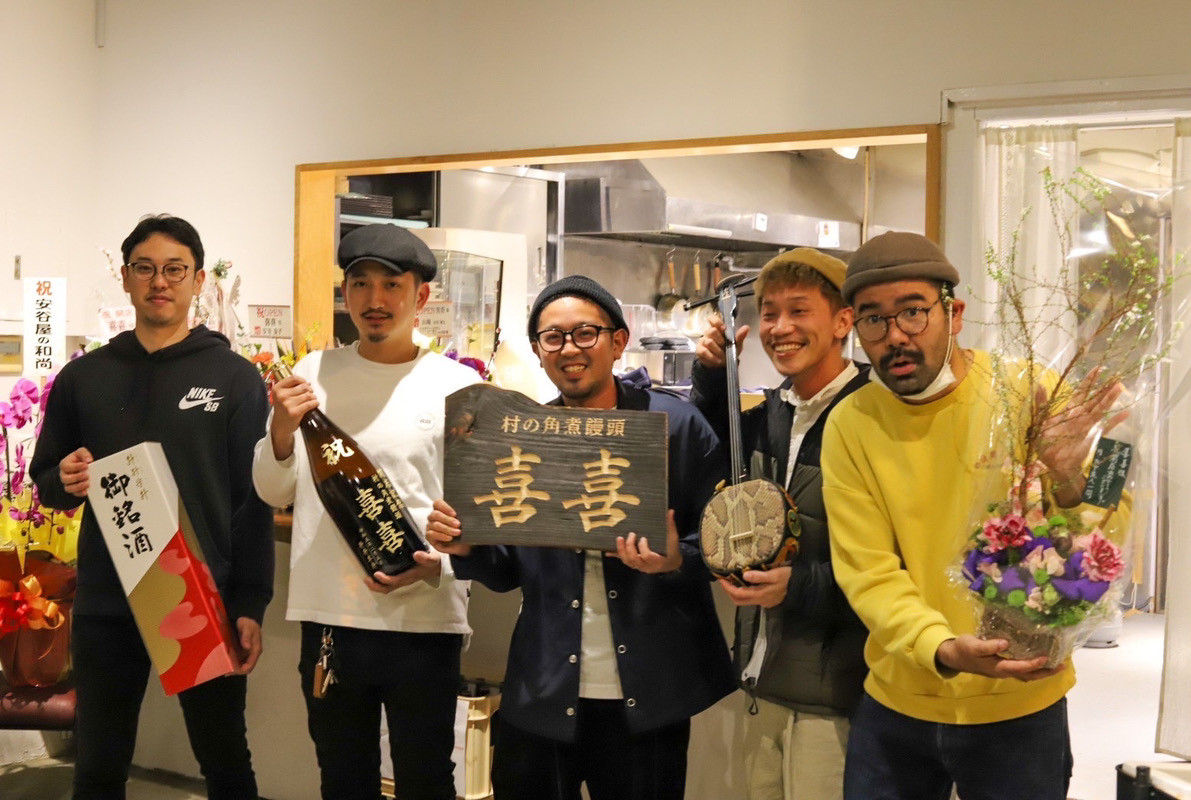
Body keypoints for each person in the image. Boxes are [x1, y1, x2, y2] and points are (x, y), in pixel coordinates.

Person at [822, 231, 1126, 800]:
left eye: (913, 312)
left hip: (1023, 699)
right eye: (874, 320)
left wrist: (1068, 478)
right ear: (854, 328)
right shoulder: (851, 423)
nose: (895, 336)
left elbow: (1115, 522)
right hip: (900, 700)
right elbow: (866, 570)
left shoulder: (1031, 388)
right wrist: (939, 647)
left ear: (954, 313)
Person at [426, 275, 736, 800]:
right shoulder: (520, 436)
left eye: (585, 333)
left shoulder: (675, 426)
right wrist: (466, 547)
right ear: (538, 352)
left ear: (618, 341)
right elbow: (505, 572)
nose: (569, 348)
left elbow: (727, 544)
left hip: (649, 691)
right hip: (544, 688)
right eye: (552, 337)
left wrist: (675, 560)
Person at [31, 214, 274, 799]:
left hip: (202, 600)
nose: (159, 282)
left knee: (225, 762)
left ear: (198, 281)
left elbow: (252, 500)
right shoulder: (84, 377)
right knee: (98, 766)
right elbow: (47, 480)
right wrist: (64, 478)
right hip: (107, 602)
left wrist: (250, 603)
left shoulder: (234, 378)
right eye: (145, 268)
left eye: (174, 269)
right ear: (125, 277)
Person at [251, 223, 481, 800]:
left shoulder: (459, 385)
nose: (374, 300)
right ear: (345, 293)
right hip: (331, 618)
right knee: (342, 778)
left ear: (421, 297)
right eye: (360, 283)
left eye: (392, 285)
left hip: (424, 619)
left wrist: (440, 565)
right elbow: (273, 490)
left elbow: (481, 513)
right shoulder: (312, 373)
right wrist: (281, 428)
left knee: (427, 779)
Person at [689, 248, 870, 799]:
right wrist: (711, 375)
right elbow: (716, 459)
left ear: (843, 321)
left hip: (839, 695)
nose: (780, 327)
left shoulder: (875, 414)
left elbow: (897, 564)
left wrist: (798, 587)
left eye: (799, 311)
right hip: (761, 677)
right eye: (769, 313)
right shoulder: (773, 413)